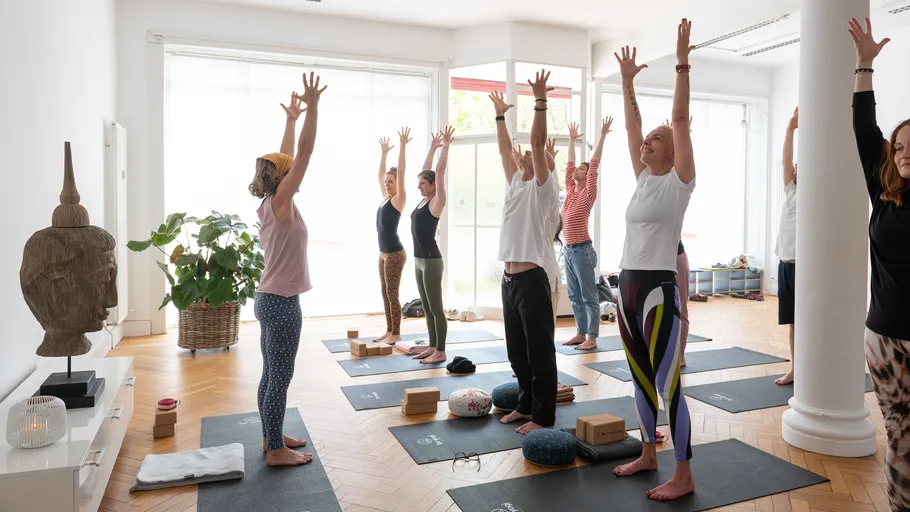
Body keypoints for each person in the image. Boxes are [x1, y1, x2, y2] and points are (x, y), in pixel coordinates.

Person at [610, 19, 696, 501]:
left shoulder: (678, 181)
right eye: (647, 140)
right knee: (640, 377)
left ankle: (684, 475)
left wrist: (681, 60)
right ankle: (648, 452)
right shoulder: (643, 177)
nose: (647, 142)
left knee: (670, 382)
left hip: (659, 289)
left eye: (655, 139)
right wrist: (627, 82)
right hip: (626, 286)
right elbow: (631, 125)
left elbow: (678, 121)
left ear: (673, 151)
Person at [247, 72, 326, 467]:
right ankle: (275, 449)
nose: (294, 169)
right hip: (280, 303)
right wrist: (313, 110)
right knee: (279, 377)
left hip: (268, 298)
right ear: (283, 177)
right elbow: (305, 155)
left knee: (270, 373)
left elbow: (287, 156)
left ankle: (271, 437)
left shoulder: (270, 201)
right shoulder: (281, 201)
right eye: (288, 169)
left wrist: (292, 120)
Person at [848, 17, 910, 512]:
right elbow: (864, 127)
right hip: (885, 338)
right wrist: (864, 64)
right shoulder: (885, 193)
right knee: (899, 435)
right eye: (901, 145)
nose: (904, 152)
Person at [489, 70, 560, 435]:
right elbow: (504, 149)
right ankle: (525, 404)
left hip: (532, 279)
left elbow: (536, 141)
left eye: (537, 155)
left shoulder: (544, 190)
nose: (526, 155)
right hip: (509, 280)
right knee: (517, 352)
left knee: (539, 353)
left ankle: (544, 416)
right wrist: (500, 116)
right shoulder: (517, 183)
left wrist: (539, 101)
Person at [561, 118, 612, 351]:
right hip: (569, 251)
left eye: (582, 169)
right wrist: (572, 140)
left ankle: (592, 336)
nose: (577, 171)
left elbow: (595, 162)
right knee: (574, 294)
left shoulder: (589, 192)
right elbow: (569, 165)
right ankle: (581, 333)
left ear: (588, 175)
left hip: (582, 250)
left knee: (588, 296)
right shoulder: (571, 191)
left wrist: (601, 135)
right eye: (579, 169)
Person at [412, 126, 456, 364]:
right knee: (426, 306)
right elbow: (428, 169)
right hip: (419, 260)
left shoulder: (437, 201)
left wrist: (446, 147)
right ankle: (431, 345)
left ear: (432, 185)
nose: (418, 186)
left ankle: (441, 349)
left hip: (431, 261)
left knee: (436, 307)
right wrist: (432, 148)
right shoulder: (422, 201)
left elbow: (438, 170)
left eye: (422, 183)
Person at [373, 128, 412, 345]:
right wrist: (384, 153)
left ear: (398, 183)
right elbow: (379, 175)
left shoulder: (399, 199)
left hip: (395, 253)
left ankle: (396, 333)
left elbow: (403, 170)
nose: (387, 184)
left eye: (391, 181)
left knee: (392, 293)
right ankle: (389, 331)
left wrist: (403, 145)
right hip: (383, 253)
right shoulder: (385, 199)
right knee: (384, 292)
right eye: (387, 182)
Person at [775, 106, 798, 386]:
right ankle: (795, 368)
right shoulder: (792, 189)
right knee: (793, 323)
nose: (796, 169)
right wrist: (790, 128)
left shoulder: (818, 195)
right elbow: (785, 160)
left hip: (805, 266)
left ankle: (809, 368)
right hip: (785, 264)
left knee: (805, 322)